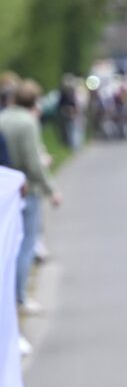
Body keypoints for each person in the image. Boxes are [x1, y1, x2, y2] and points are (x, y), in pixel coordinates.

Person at [0, 80, 61, 318]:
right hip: (27, 188)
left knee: (10, 244)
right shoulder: (28, 122)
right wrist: (51, 189)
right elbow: (33, 163)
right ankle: (20, 296)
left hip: (6, 189)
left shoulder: (3, 117)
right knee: (26, 244)